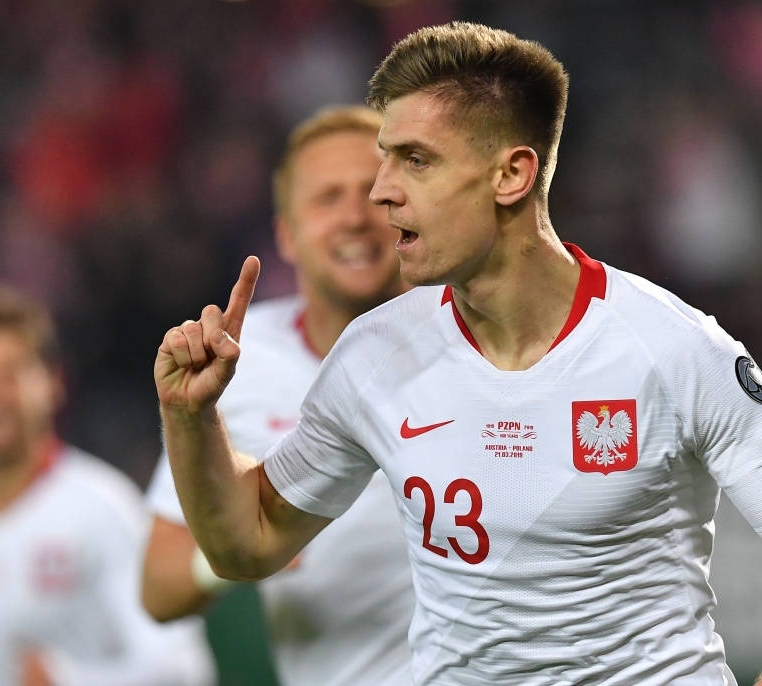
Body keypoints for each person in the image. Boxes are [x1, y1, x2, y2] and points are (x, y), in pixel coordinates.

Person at [153, 21, 762, 686]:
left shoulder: (672, 348)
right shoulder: (376, 354)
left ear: (511, 174)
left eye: (415, 160)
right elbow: (250, 540)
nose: (380, 190)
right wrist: (192, 418)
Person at [142, 106, 415, 685]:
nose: (354, 218)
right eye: (326, 199)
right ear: (286, 235)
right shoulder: (241, 359)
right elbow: (159, 588)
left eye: (373, 193)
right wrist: (240, 550)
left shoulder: (483, 337)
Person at [0, 285, 215, 686]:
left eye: (9, 374)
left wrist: (69, 680)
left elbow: (183, 669)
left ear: (53, 382)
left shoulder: (104, 508)